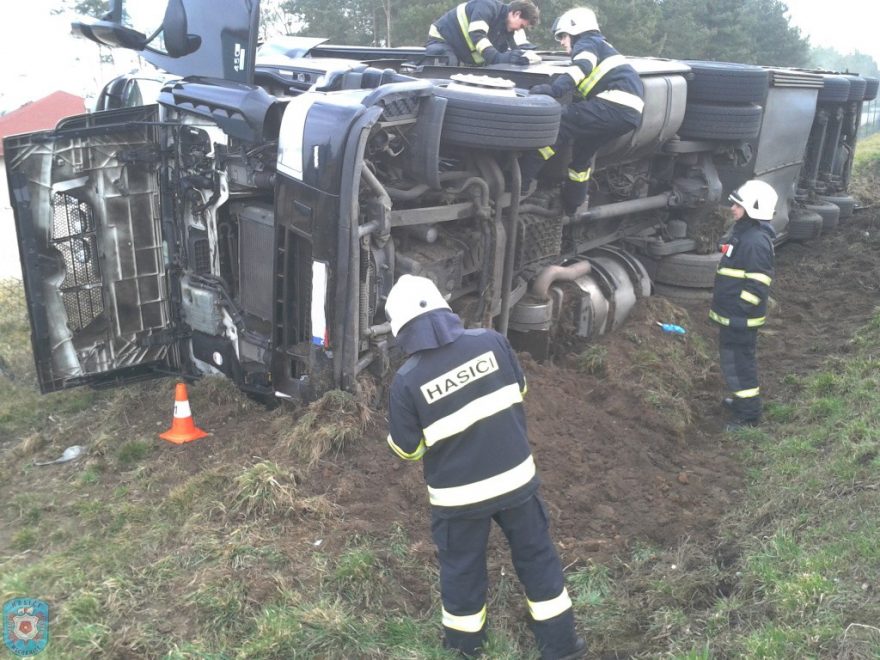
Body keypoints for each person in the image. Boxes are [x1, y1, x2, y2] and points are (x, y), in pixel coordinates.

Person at [385, 274, 586, 660]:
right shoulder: (491, 341)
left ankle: (465, 650)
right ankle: (561, 646)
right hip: (516, 482)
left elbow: (407, 451)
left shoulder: (407, 381)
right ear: (443, 307)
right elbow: (519, 390)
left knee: (462, 571)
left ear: (402, 328)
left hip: (459, 499)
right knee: (537, 556)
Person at [521, 7, 644, 215]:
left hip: (614, 105)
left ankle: (520, 183)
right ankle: (573, 203)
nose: (561, 42)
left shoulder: (587, 43)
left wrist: (554, 90)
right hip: (628, 114)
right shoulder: (602, 46)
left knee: (558, 124)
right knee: (583, 151)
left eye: (563, 36)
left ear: (576, 30)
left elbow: (581, 67)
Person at [709, 179, 778, 431]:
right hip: (734, 316)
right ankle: (742, 401)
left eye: (738, 205)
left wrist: (739, 309)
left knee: (739, 364)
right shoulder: (745, 234)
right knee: (733, 362)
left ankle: (748, 414)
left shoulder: (755, 241)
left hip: (739, 319)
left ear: (753, 209)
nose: (732, 208)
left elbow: (758, 283)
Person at [424, 0, 541, 67]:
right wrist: (497, 58)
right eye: (521, 26)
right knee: (448, 67)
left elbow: (503, 52)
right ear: (516, 14)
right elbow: (477, 34)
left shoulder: (503, 28)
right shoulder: (487, 6)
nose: (519, 30)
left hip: (460, 48)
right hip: (442, 40)